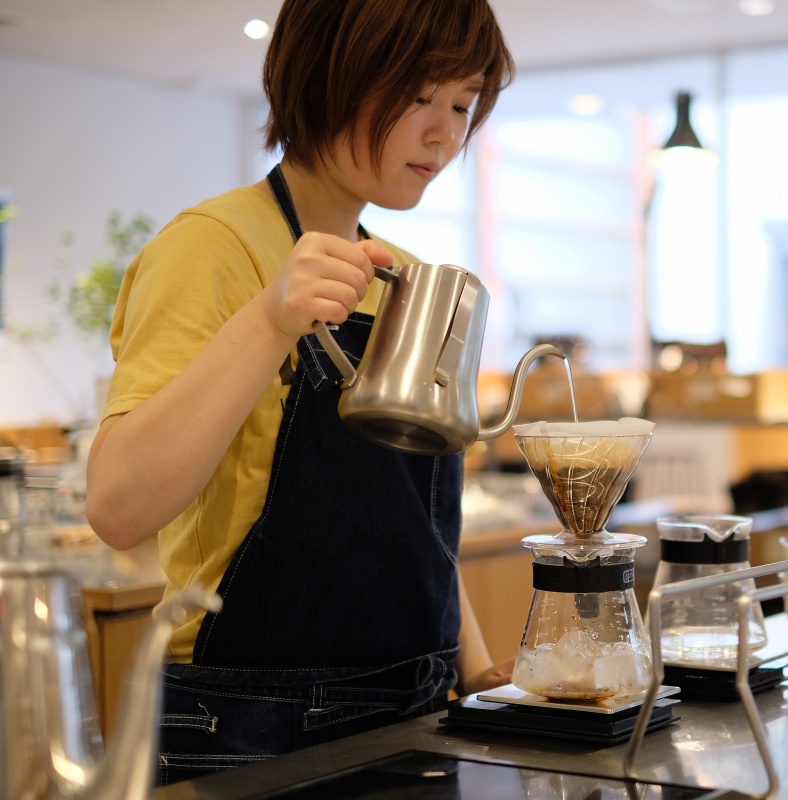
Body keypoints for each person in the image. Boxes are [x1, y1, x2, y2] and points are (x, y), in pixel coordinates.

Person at [85, 0, 515, 785]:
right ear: (328, 76)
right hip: (245, 726)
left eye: (463, 102)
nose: (445, 132)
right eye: (419, 95)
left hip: (417, 707)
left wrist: (482, 675)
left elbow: (410, 517)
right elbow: (118, 507)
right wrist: (271, 318)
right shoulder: (210, 247)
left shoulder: (401, 277)